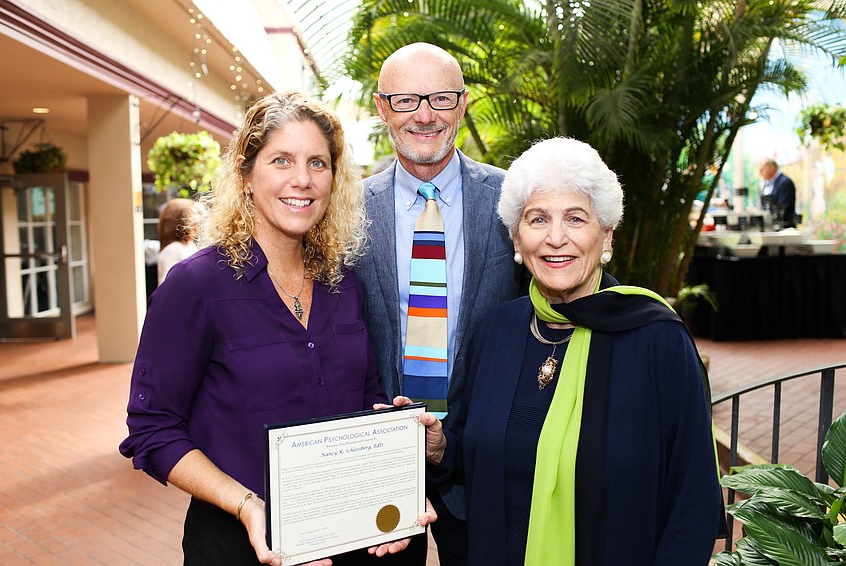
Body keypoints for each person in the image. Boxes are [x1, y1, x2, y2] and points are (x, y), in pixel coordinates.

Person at [120, 91, 434, 566]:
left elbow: (365, 395)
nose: (302, 179)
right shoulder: (195, 285)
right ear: (246, 175)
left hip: (353, 538)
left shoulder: (342, 283)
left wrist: (396, 473)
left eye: (318, 163)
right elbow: (153, 430)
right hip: (238, 544)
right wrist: (248, 506)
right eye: (281, 160)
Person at [402, 137, 724, 565]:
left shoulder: (656, 338)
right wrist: (441, 447)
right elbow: (477, 459)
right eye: (538, 219)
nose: (556, 238)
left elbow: (693, 501)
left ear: (606, 236)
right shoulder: (496, 332)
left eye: (575, 218)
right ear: (517, 240)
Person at [356, 42, 525, 565]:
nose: (425, 115)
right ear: (382, 108)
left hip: (480, 459)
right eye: (406, 100)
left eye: (441, 98)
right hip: (377, 464)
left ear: (463, 103)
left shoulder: (514, 200)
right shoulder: (346, 209)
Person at [156, 197, 202, 284]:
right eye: (193, 214)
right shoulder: (173, 249)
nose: (198, 219)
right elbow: (169, 283)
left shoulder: (190, 246)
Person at [758, 158, 797, 229]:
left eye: (762, 170)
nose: (760, 173)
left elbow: (783, 208)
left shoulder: (785, 183)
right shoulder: (766, 184)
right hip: (771, 227)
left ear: (771, 168)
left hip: (785, 228)